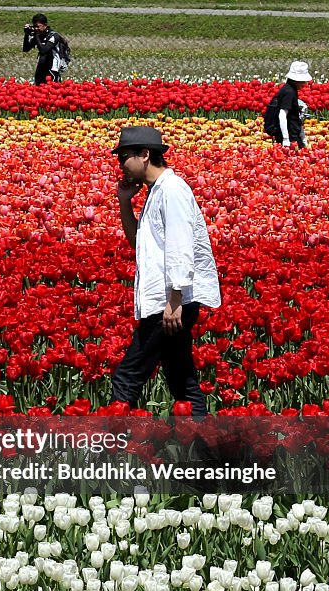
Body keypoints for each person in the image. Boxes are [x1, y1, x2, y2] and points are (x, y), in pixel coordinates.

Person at [109, 126, 222, 416]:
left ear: (145, 155)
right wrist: (124, 202)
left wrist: (174, 300)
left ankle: (110, 447)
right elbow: (139, 243)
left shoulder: (171, 190)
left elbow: (181, 247)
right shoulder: (156, 192)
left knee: (127, 376)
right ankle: (207, 447)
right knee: (181, 380)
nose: (120, 164)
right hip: (170, 303)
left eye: (124, 157)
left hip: (169, 304)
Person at [264, 61, 312, 149]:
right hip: (289, 137)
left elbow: (296, 117)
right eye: (302, 81)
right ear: (296, 80)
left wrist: (303, 139)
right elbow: (282, 114)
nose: (304, 83)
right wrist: (286, 140)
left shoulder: (290, 89)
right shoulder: (289, 92)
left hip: (292, 134)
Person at [22, 13, 64, 84]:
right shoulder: (38, 35)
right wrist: (26, 35)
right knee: (38, 89)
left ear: (45, 25)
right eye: (34, 26)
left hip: (52, 68)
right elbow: (26, 49)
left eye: (38, 26)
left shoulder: (54, 36)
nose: (36, 29)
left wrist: (36, 36)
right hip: (41, 67)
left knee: (53, 90)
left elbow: (44, 50)